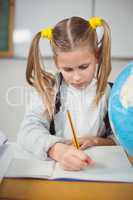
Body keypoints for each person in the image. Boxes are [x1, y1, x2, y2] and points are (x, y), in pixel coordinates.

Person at [17, 16, 116, 171]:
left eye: (83, 67)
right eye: (68, 69)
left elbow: (124, 138)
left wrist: (97, 141)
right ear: (57, 64)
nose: (76, 77)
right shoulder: (49, 90)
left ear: (96, 56)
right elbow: (26, 131)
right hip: (57, 173)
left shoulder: (112, 93)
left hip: (99, 171)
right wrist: (56, 149)